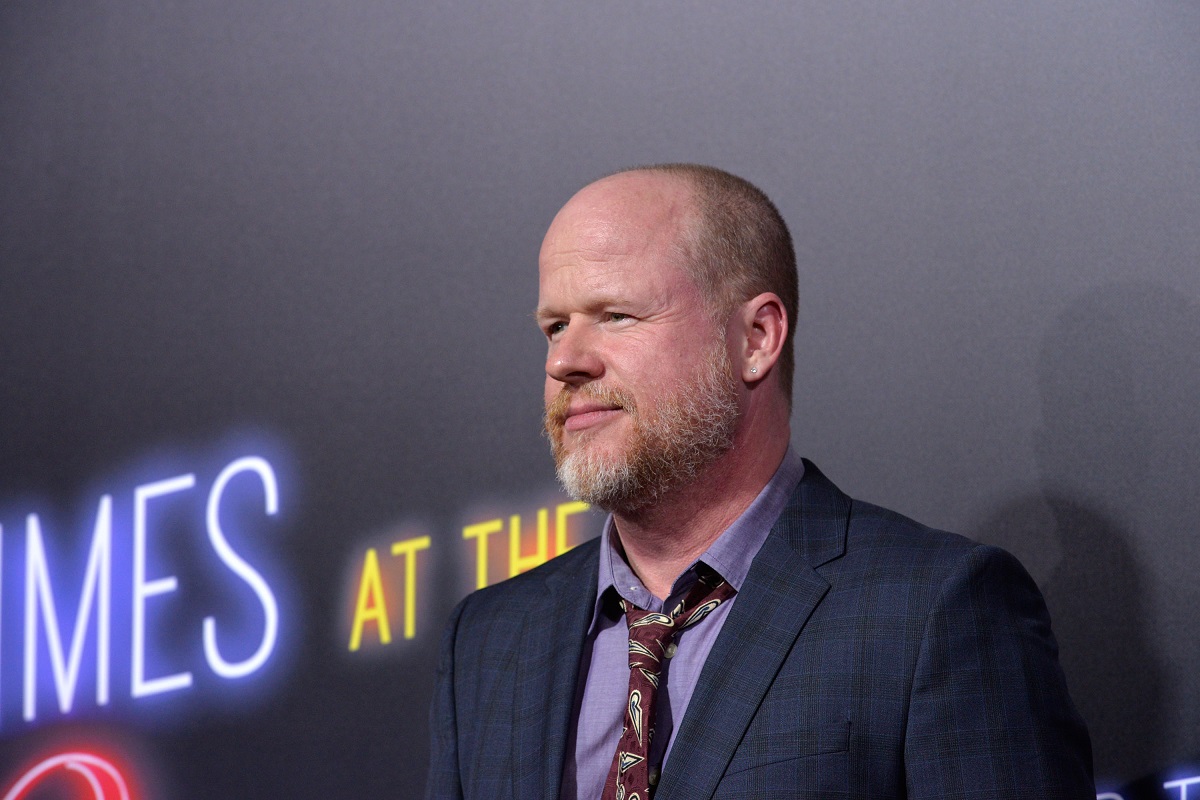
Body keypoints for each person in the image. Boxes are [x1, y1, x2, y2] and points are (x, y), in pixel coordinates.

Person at [425, 164, 1094, 799]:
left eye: (617, 315)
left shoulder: (934, 612)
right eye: (553, 326)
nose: (566, 360)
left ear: (756, 338)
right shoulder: (489, 639)